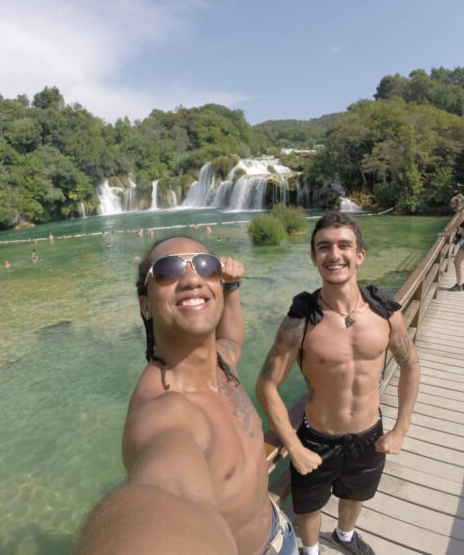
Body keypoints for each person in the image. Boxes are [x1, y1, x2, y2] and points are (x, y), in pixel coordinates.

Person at [74, 236, 297, 555]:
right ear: (145, 305)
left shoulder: (221, 363)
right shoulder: (166, 409)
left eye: (206, 266)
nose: (192, 278)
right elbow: (166, 492)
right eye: (168, 270)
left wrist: (232, 291)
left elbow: (232, 339)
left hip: (282, 530)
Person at [256, 211, 420, 555]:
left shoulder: (386, 313)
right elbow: (267, 386)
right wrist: (294, 447)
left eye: (344, 245)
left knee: (356, 494)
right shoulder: (299, 321)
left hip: (369, 434)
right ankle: (311, 550)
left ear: (359, 254)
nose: (334, 254)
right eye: (324, 247)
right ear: (314, 258)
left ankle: (345, 536)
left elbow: (410, 366)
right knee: (309, 506)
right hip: (317, 437)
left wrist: (401, 429)